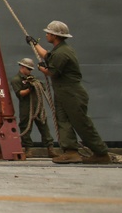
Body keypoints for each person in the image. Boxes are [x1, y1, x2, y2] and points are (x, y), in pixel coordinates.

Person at [28, 21, 111, 164]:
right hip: (63, 92)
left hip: (71, 92)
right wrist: (34, 44)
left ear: (54, 36)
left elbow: (52, 72)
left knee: (81, 122)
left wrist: (41, 69)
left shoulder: (62, 53)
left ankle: (101, 152)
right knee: (63, 121)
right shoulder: (60, 50)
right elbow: (48, 56)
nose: (46, 35)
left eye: (48, 33)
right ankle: (71, 151)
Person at [9, 57, 58, 158]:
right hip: (26, 107)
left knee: (44, 127)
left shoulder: (33, 78)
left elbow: (42, 87)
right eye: (29, 69)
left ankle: (50, 148)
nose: (30, 71)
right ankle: (28, 149)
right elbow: (20, 93)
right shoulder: (16, 80)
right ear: (23, 67)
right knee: (25, 127)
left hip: (38, 106)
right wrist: (30, 88)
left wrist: (36, 84)